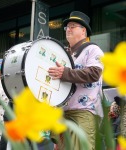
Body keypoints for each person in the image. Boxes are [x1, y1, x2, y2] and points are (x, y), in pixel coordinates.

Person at [48, 11, 104, 150]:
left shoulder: (93, 49)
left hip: (84, 111)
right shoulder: (64, 54)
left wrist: (65, 73)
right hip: (63, 114)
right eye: (67, 27)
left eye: (73, 26)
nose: (69, 29)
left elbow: (94, 73)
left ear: (84, 30)